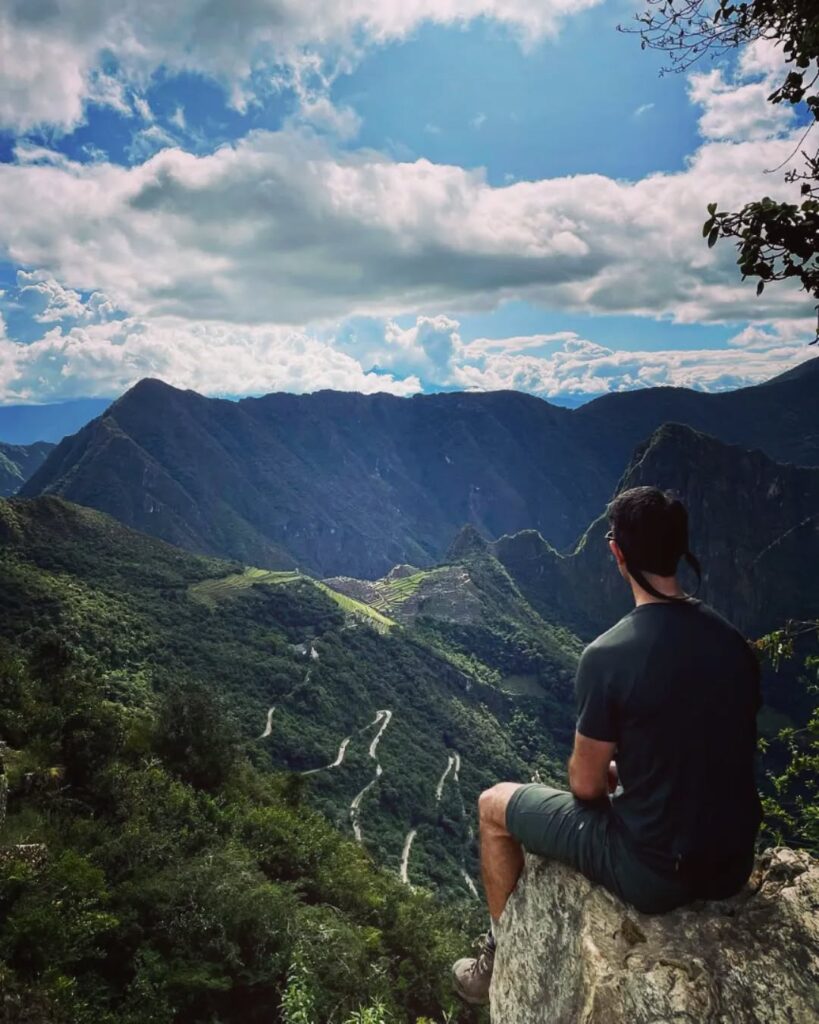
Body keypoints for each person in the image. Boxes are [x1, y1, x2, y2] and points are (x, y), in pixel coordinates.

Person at [452, 486, 762, 1005]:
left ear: (617, 553)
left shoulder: (609, 655)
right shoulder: (733, 643)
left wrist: (617, 770)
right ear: (680, 548)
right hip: (732, 863)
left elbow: (586, 785)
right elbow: (711, 743)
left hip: (654, 872)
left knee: (491, 806)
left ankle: (497, 959)